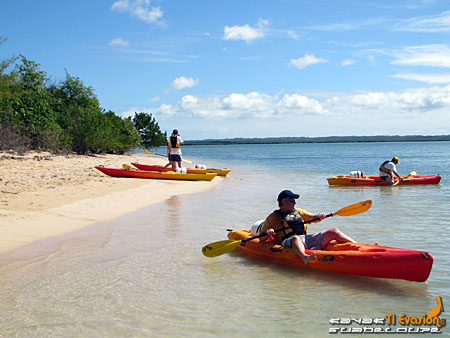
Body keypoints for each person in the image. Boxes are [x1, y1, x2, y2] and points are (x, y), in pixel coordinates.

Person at [259, 190, 356, 266]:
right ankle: (305, 257)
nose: (295, 203)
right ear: (284, 201)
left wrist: (319, 216)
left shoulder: (299, 211)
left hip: (305, 240)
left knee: (333, 231)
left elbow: (313, 218)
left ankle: (358, 246)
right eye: (292, 200)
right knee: (296, 238)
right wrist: (268, 233)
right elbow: (261, 238)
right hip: (288, 243)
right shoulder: (273, 217)